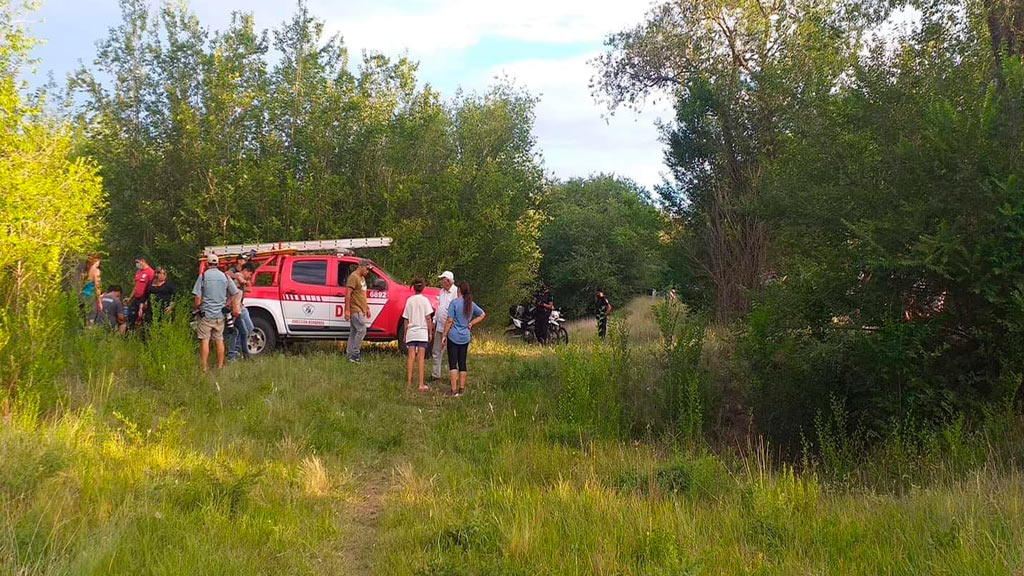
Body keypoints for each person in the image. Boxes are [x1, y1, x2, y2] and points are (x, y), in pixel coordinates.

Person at [191, 253, 239, 372]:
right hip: (220, 315)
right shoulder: (224, 276)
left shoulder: (203, 276)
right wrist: (226, 303)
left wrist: (196, 307)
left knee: (205, 340)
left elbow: (197, 298)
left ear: (207, 264)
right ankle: (220, 366)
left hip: (206, 314)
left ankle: (204, 368)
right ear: (218, 264)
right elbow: (235, 293)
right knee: (219, 340)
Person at [442, 281, 486, 397]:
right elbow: (482, 314)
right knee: (462, 362)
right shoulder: (470, 304)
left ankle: (453, 390)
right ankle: (461, 389)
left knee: (453, 363)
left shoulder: (454, 303)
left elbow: (449, 320)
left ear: (459, 291)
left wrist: (444, 335)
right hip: (465, 337)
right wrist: (471, 323)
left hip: (453, 336)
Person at [402, 277, 434, 391]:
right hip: (422, 332)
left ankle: (409, 383)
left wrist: (405, 334)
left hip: (411, 332)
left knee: (410, 358)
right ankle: (420, 384)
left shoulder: (409, 300)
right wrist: (430, 332)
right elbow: (428, 318)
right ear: (423, 287)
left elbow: (405, 319)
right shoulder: (425, 300)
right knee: (421, 358)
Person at [343, 259, 371, 363]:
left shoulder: (362, 278)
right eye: (367, 269)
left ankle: (350, 355)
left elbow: (362, 294)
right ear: (361, 267)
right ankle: (355, 354)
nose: (368, 272)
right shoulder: (353, 277)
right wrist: (347, 310)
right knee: (362, 330)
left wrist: (367, 307)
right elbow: (348, 295)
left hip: (361, 308)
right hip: (355, 309)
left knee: (354, 332)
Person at [226, 262, 255, 361]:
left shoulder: (241, 278)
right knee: (237, 332)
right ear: (246, 271)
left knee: (244, 331)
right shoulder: (237, 276)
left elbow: (249, 288)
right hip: (235, 309)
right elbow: (232, 292)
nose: (250, 277)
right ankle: (233, 354)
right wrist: (241, 280)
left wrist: (245, 282)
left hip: (239, 308)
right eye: (250, 274)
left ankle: (239, 353)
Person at [432, 271, 458, 380]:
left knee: (452, 352)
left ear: (447, 281)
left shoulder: (456, 292)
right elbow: (439, 308)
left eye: (442, 279)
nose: (440, 281)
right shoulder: (442, 291)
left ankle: (453, 377)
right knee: (436, 350)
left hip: (452, 327)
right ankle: (435, 375)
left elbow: (457, 309)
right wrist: (434, 321)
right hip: (440, 325)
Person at [128, 255, 154, 328]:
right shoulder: (138, 272)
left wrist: (146, 301)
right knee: (130, 316)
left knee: (142, 319)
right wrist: (130, 298)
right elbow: (135, 286)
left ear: (143, 261)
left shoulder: (150, 272)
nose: (137, 264)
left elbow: (151, 288)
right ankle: (129, 335)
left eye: (138, 262)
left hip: (144, 299)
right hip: (136, 298)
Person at [80, 254, 102, 325]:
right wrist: (99, 302)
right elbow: (97, 287)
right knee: (91, 320)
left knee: (82, 320)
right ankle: (89, 334)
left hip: (82, 296)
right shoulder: (96, 271)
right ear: (96, 261)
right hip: (90, 297)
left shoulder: (85, 271)